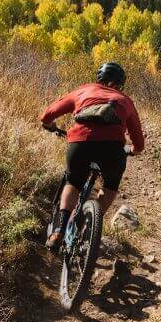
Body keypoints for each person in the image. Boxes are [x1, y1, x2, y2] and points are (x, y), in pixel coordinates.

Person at [40, 61, 144, 252]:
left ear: (99, 79)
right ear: (120, 84)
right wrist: (132, 150)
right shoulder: (126, 101)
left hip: (80, 144)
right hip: (112, 151)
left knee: (73, 183)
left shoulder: (84, 91)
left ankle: (59, 231)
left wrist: (49, 124)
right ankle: (90, 226)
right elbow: (139, 143)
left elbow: (48, 114)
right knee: (110, 187)